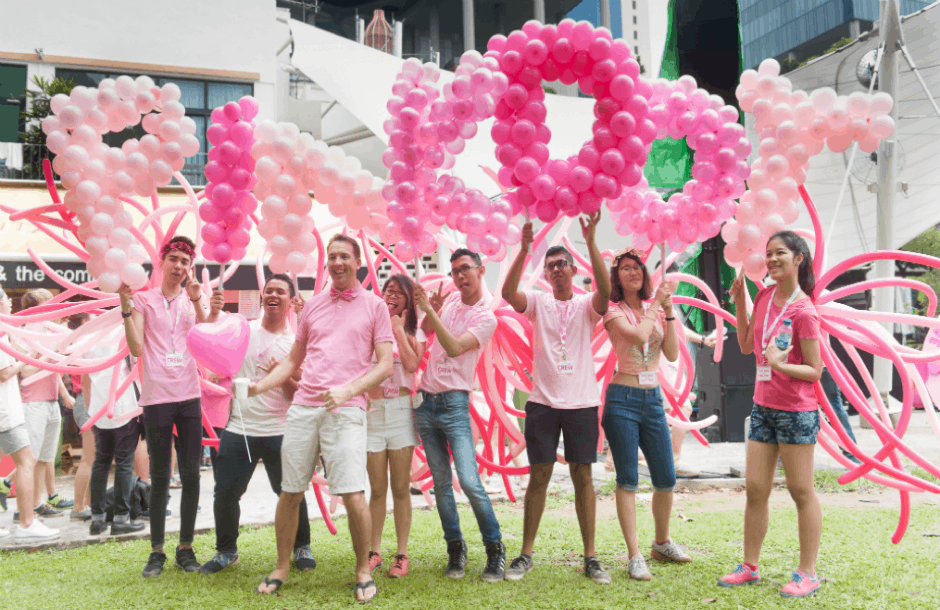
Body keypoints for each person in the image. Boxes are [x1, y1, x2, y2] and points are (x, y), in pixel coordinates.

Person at [250, 235, 393, 603]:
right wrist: (259, 386)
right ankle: (282, 566)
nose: (338, 262)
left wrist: (349, 391)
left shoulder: (375, 306)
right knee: (290, 491)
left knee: (351, 492)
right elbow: (292, 361)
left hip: (346, 409)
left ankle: (363, 569)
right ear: (327, 263)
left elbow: (386, 365)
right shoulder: (311, 306)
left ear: (358, 262)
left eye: (344, 256)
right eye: (332, 257)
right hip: (303, 409)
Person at [500, 212, 612, 584]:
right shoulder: (537, 303)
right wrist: (524, 250)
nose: (558, 270)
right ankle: (525, 554)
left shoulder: (585, 305)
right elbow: (507, 294)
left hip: (581, 403)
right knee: (539, 477)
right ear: (546, 274)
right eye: (551, 267)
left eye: (563, 264)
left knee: (584, 477)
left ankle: (591, 557)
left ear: (572, 269)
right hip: (543, 403)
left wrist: (592, 241)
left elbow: (606, 293)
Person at [720, 231, 824, 598]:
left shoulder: (805, 311)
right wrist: (740, 304)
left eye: (780, 253)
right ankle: (749, 567)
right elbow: (749, 345)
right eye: (768, 254)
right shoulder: (764, 296)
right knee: (756, 490)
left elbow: (815, 372)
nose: (772, 259)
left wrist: (782, 365)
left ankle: (807, 573)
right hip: (762, 407)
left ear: (799, 259)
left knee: (801, 490)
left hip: (796, 412)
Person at [199, 274, 316, 575]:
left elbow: (297, 395)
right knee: (225, 492)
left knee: (291, 492)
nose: (273, 295)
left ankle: (302, 547)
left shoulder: (296, 344)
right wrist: (212, 312)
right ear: (262, 298)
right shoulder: (243, 331)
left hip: (281, 429)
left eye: (281, 291)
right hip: (240, 428)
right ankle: (226, 551)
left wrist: (285, 374)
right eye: (269, 291)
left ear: (291, 301)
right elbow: (211, 342)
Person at [414, 249, 506, 582]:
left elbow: (454, 346)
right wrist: (433, 310)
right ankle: (456, 550)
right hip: (426, 401)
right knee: (441, 485)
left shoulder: (487, 317)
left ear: (481, 270)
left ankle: (494, 549)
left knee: (469, 481)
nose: (458, 277)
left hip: (454, 404)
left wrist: (429, 310)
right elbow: (426, 331)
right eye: (454, 272)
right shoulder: (450, 303)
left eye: (464, 269)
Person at [119, 235, 208, 577]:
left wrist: (199, 301)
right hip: (157, 398)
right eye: (173, 259)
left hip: (189, 395)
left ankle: (185, 548)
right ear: (162, 263)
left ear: (189, 269)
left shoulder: (191, 300)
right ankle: (156, 551)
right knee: (159, 476)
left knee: (191, 475)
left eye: (185, 262)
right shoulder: (143, 301)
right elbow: (137, 348)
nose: (179, 267)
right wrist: (126, 308)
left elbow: (206, 339)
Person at [601, 249, 692, 581]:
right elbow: (638, 336)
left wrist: (668, 313)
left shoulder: (654, 309)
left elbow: (669, 353)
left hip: (653, 400)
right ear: (617, 276)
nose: (632, 272)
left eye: (636, 267)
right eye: (625, 268)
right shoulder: (613, 310)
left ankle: (662, 542)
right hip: (622, 398)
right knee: (627, 479)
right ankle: (634, 554)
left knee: (666, 478)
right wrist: (657, 305)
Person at [366, 274, 426, 578]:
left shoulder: (416, 330)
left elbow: (413, 365)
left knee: (401, 488)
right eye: (388, 291)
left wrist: (399, 331)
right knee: (377, 489)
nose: (391, 296)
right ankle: (373, 552)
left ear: (408, 299)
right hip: (373, 413)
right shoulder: (371, 326)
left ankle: (401, 555)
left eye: (398, 292)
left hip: (402, 412)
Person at [0, 288, 60, 543]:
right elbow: (5, 372)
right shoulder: (5, 335)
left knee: (29, 460)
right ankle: (26, 523)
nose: (10, 305)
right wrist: (29, 358)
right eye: (6, 300)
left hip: (11, 410)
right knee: (27, 461)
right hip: (7, 412)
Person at [81, 319, 146, 537]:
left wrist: (91, 409)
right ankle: (121, 518)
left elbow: (85, 379)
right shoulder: (125, 334)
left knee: (101, 463)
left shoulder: (88, 339)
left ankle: (97, 520)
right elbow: (140, 368)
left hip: (99, 410)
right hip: (124, 407)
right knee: (124, 464)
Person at [14, 288, 74, 519]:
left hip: (50, 402)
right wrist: (51, 353)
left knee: (45, 459)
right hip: (33, 403)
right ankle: (24, 508)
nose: (53, 304)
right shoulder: (23, 334)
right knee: (30, 460)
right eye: (48, 301)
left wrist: (64, 395)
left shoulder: (50, 331)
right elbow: (27, 371)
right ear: (35, 305)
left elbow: (54, 369)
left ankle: (37, 503)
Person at [66, 313, 94, 522]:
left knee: (95, 457)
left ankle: (90, 505)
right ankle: (78, 506)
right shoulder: (82, 343)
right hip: (85, 400)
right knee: (90, 457)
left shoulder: (77, 341)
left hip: (87, 400)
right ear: (85, 321)